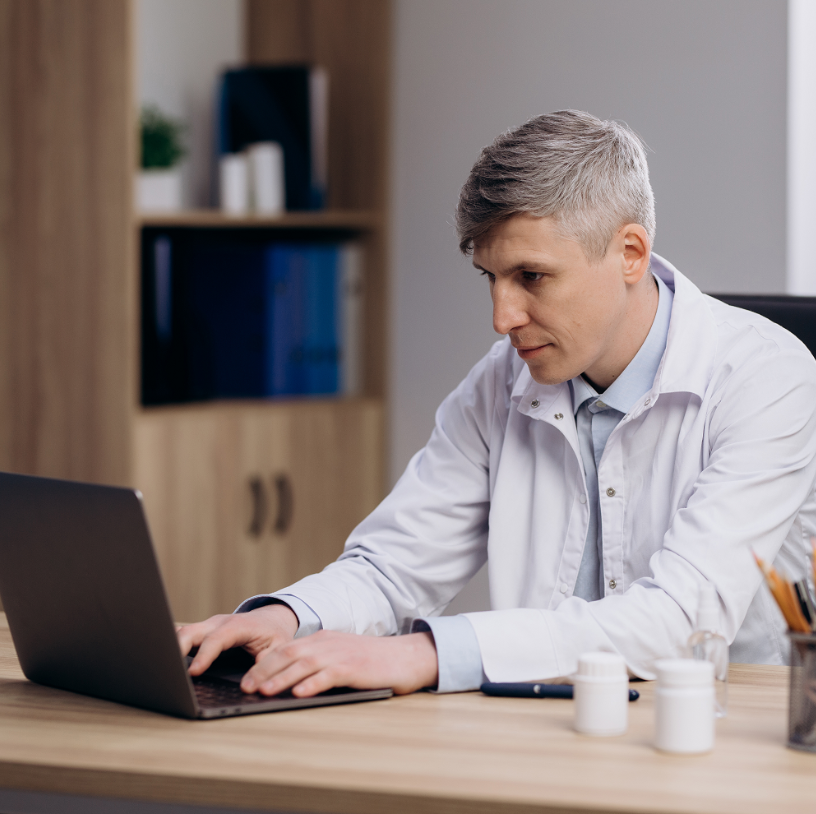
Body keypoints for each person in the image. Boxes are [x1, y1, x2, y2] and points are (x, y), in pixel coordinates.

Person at [178, 110, 816, 698]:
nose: (502, 318)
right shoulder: (501, 381)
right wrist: (286, 618)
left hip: (715, 732)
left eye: (531, 277)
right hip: (543, 727)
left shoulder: (767, 378)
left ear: (629, 254)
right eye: (492, 277)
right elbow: (393, 567)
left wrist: (425, 654)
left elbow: (682, 618)